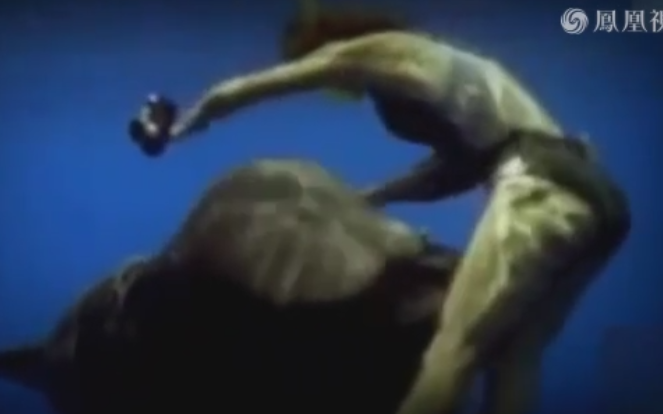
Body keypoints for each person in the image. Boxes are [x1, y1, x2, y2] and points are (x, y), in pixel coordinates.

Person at [129, 2, 631, 413]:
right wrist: (368, 198)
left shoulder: (379, 51)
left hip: (539, 187)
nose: (333, 87)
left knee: (451, 352)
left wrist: (182, 126)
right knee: (513, 359)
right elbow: (447, 175)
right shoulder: (460, 86)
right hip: (592, 200)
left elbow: (250, 89)